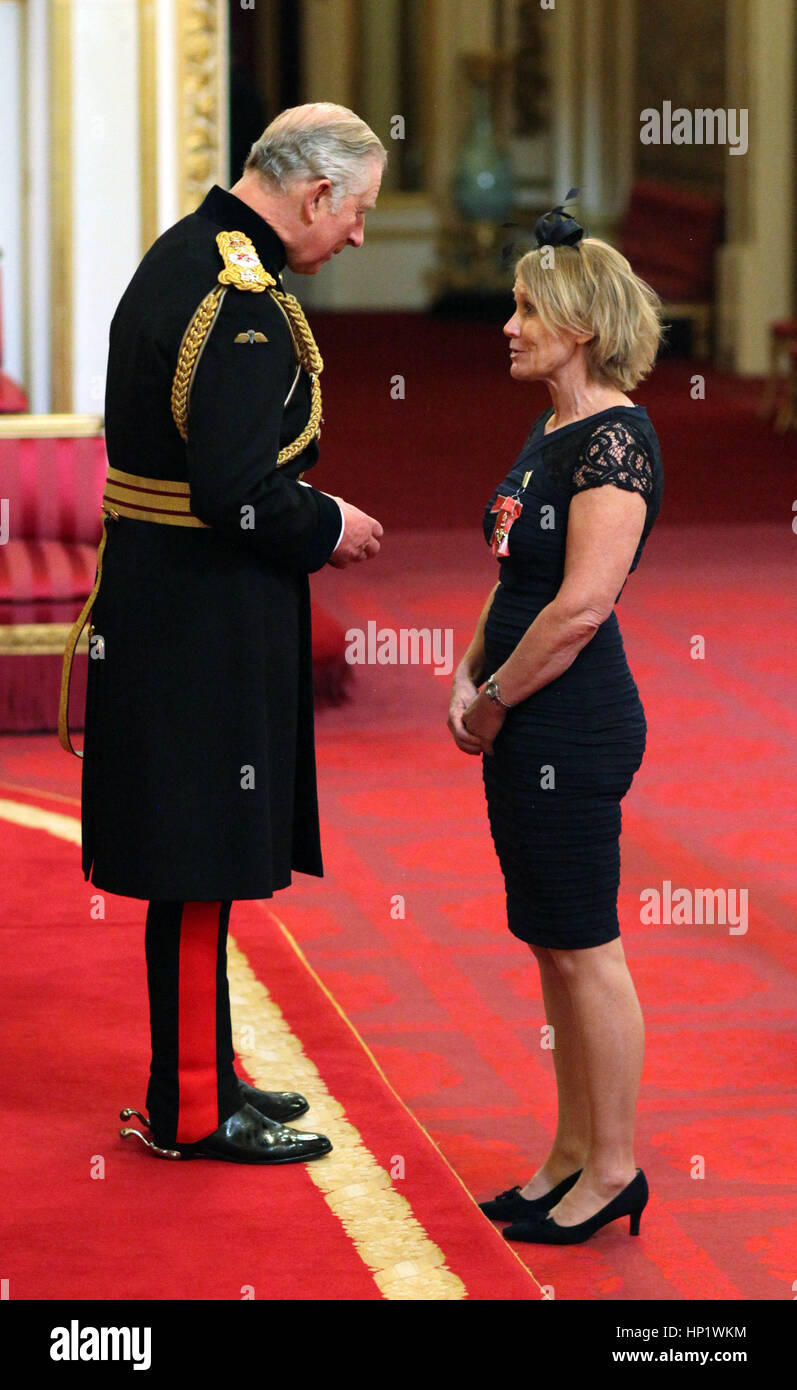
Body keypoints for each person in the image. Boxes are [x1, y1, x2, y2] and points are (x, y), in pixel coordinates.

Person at [59, 103, 385, 1164]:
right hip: (201, 620)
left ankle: (212, 1063)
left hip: (170, 606)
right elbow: (237, 490)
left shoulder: (195, 250)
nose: (358, 237)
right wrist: (325, 521)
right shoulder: (239, 297)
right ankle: (192, 1105)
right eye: (359, 213)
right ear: (317, 193)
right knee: (201, 860)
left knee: (202, 855)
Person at [448, 200, 664, 1243]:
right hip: (525, 712)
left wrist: (491, 702)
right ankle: (568, 1155)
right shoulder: (553, 427)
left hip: (568, 723)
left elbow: (578, 608)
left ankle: (613, 1167)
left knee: (585, 948)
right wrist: (464, 665)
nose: (508, 322)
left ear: (577, 329)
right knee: (550, 943)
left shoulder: (614, 442)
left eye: (526, 307)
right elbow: (516, 577)